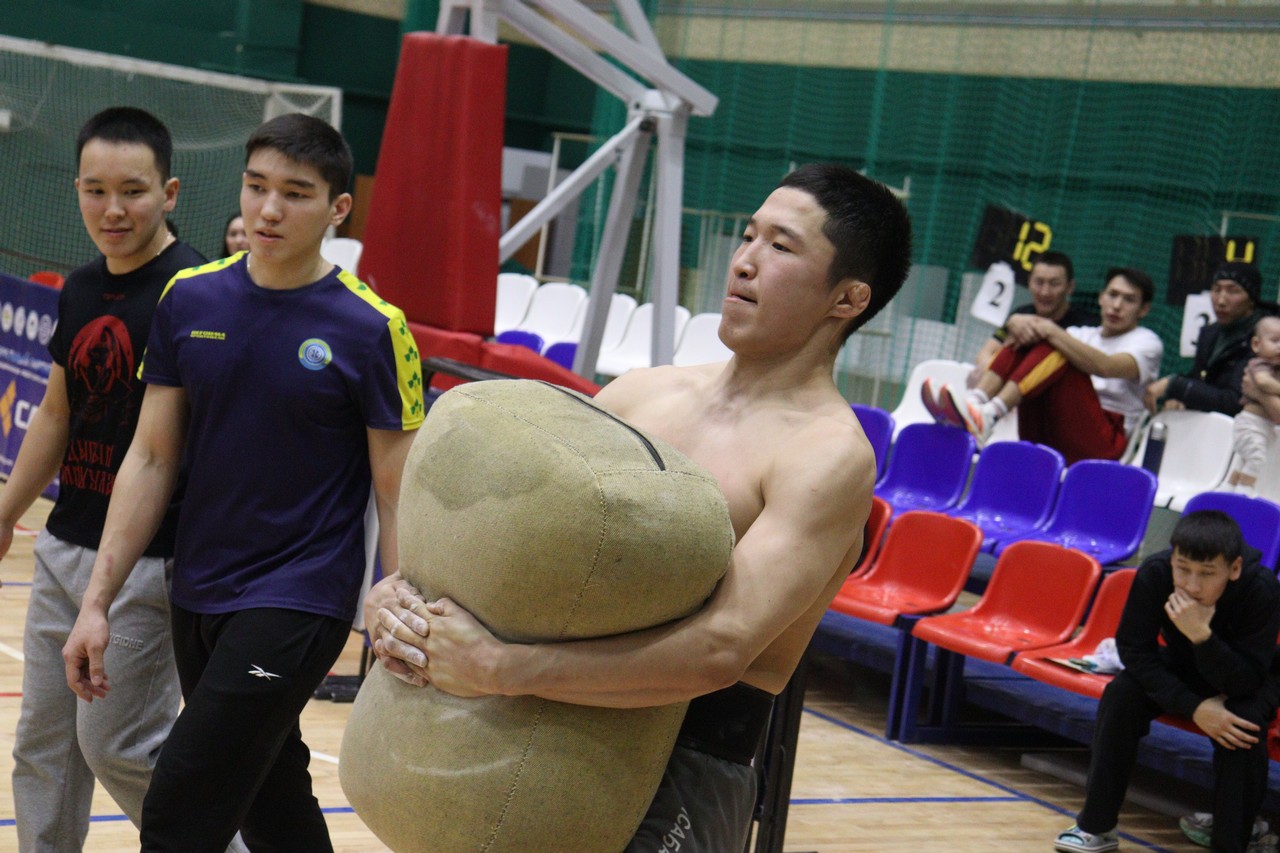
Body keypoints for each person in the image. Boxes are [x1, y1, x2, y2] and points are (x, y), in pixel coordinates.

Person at [364, 163, 911, 850]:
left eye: (781, 246)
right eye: (747, 236)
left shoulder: (827, 456)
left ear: (848, 298)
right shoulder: (641, 393)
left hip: (684, 759)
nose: (744, 260)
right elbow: (520, 529)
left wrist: (502, 666)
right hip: (537, 717)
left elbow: (722, 647)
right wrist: (401, 592)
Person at [61, 112, 425, 852]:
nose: (267, 209)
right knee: (270, 795)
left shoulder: (373, 326)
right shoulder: (189, 300)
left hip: (301, 594)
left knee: (181, 803)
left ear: (337, 208)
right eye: (256, 187)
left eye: (295, 193)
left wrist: (400, 597)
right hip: (197, 588)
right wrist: (95, 600)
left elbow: (400, 486)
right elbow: (151, 457)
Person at [0, 107, 203, 851]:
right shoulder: (81, 287)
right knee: (43, 747)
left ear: (170, 191)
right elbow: (55, 413)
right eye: (95, 190)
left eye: (133, 190)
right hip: (62, 547)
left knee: (118, 743)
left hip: (149, 560)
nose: (112, 209)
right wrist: (7, 508)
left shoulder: (196, 293)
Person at [1054, 510, 1280, 853]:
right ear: (1172, 557)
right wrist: (1195, 706)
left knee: (1243, 724)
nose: (1191, 585)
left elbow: (1248, 679)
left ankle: (1230, 843)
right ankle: (1095, 827)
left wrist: (1202, 636)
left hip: (1250, 676)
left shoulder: (1260, 588)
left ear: (1233, 568)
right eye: (1183, 568)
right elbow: (1134, 650)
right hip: (1184, 667)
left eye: (1207, 574)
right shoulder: (1156, 573)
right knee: (1122, 694)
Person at [929, 267, 1163, 464]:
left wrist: (1049, 330)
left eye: (1129, 299)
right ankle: (975, 403)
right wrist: (1016, 323)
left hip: (1103, 443)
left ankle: (990, 415)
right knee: (1029, 338)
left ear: (1144, 309)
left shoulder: (1147, 342)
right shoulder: (1078, 333)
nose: (1117, 305)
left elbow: (1106, 367)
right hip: (1055, 426)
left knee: (1055, 345)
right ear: (1101, 297)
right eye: (1112, 295)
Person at [958, 251, 1096, 388]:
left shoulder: (1085, 326)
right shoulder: (1019, 316)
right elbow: (984, 354)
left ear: (1070, 287)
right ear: (1029, 282)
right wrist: (994, 372)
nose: (1045, 292)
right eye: (1039, 282)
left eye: (1054, 284)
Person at [1145, 262, 1267, 416]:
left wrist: (1177, 386)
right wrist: (1179, 398)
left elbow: (1235, 402)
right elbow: (1200, 381)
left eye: (1233, 291)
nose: (1221, 301)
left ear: (1251, 299)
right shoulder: (1210, 334)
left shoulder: (1265, 339)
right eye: (1216, 290)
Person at [1226, 314, 1280, 494]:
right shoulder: (1260, 364)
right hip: (1251, 423)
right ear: (1256, 344)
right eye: (1275, 341)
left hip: (1266, 426)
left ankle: (1230, 488)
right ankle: (1243, 492)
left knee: (1243, 460)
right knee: (1255, 458)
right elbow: (1264, 383)